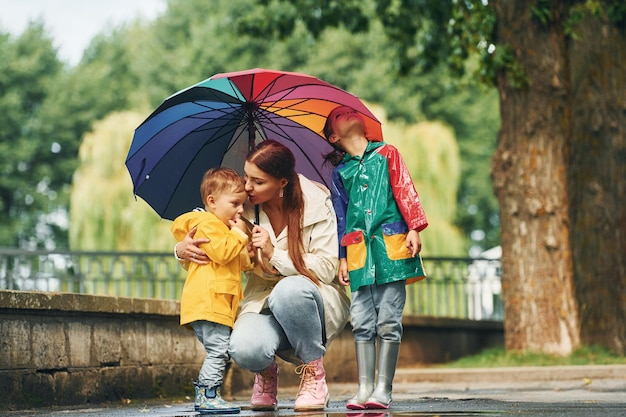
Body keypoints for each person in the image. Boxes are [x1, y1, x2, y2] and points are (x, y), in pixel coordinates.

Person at [174, 140, 350, 412]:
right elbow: (212, 239)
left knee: (289, 291)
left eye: (257, 181)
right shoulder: (241, 207)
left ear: (282, 183)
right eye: (246, 177)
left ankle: (314, 373)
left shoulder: (317, 202)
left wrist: (273, 253)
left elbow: (327, 268)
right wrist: (180, 250)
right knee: (244, 348)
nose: (247, 187)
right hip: (263, 300)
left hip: (312, 298)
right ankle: (266, 374)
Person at [323, 105, 428, 410]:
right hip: (357, 253)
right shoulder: (341, 173)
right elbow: (340, 219)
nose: (346, 112)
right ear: (333, 136)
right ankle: (364, 387)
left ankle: (383, 388)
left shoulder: (387, 154)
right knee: (362, 322)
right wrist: (342, 257)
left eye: (348, 111)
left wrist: (414, 227)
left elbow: (405, 189)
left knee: (389, 320)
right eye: (338, 115)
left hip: (391, 246)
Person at [171, 167, 254, 415]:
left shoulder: (220, 229)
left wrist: (249, 254)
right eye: (235, 203)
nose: (241, 210)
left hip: (215, 303)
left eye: (243, 204)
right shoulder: (206, 224)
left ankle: (208, 395)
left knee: (219, 351)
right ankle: (208, 395)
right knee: (219, 351)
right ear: (212, 201)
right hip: (209, 303)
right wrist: (240, 234)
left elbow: (232, 261)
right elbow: (223, 252)